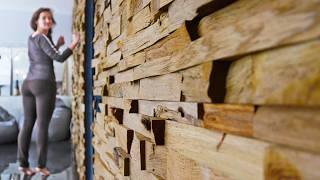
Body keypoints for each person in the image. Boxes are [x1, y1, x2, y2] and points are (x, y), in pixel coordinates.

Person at [17, 7, 80, 176]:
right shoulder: (43, 37)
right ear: (36, 20)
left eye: (50, 18)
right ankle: (41, 166)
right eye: (44, 17)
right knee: (43, 126)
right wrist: (74, 43)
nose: (48, 20)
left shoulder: (32, 38)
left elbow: (44, 54)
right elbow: (58, 58)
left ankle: (22, 165)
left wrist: (57, 44)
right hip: (44, 84)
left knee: (28, 124)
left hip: (28, 84)